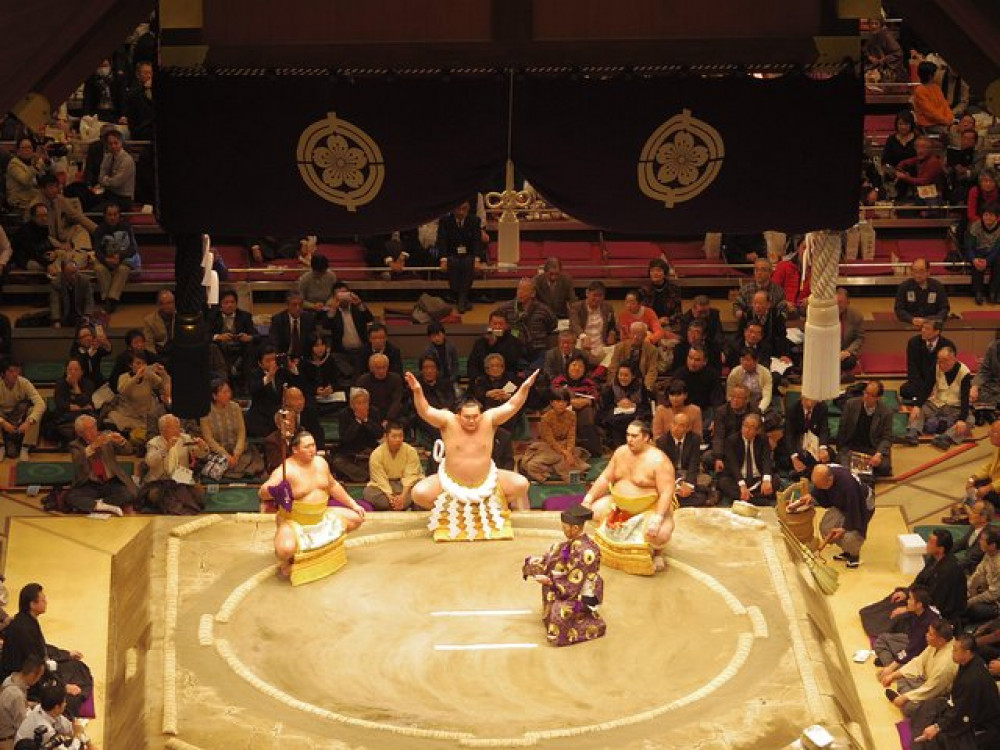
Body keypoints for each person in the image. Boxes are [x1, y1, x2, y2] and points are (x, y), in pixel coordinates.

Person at [407, 369, 539, 517]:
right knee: (419, 493)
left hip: (487, 480)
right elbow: (425, 410)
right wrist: (417, 391)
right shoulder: (447, 420)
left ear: (480, 415)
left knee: (521, 485)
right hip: (450, 482)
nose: (472, 421)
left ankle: (490, 507)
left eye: (475, 416)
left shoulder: (489, 419)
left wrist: (525, 387)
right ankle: (451, 510)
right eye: (467, 417)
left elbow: (512, 405)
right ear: (458, 416)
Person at [259, 431, 365, 578]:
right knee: (284, 549)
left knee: (356, 518)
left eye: (313, 445)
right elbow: (263, 492)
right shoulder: (286, 470)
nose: (312, 450)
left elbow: (333, 485)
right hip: (294, 521)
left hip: (321, 516)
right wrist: (276, 490)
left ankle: (324, 547)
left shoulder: (321, 463)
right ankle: (290, 559)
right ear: (295, 450)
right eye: (307, 446)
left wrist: (353, 504)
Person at [582, 420, 676, 572]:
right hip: (618, 506)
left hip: (648, 508)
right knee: (593, 510)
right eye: (627, 435)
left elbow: (666, 492)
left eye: (634, 436)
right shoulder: (620, 453)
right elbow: (606, 477)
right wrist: (588, 498)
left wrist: (657, 518)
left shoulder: (659, 460)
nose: (629, 439)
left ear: (646, 437)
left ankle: (658, 553)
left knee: (661, 534)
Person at [0, 584, 91, 718]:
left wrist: (67, 654)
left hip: (38, 670)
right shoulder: (22, 628)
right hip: (28, 680)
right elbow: (35, 666)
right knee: (68, 701)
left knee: (77, 666)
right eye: (43, 600)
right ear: (33, 604)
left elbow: (41, 647)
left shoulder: (26, 619)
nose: (46, 602)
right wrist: (63, 686)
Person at [522, 503, 605, 646]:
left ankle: (587, 624)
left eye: (565, 527)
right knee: (548, 587)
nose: (563, 529)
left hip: (583, 594)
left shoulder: (586, 551)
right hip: (569, 583)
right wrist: (539, 561)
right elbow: (555, 556)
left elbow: (574, 582)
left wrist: (550, 581)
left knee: (558, 613)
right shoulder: (571, 543)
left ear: (575, 528)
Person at [860, 529, 967, 636]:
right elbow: (920, 580)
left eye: (930, 542)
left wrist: (909, 608)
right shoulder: (934, 558)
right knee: (897, 597)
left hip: (940, 611)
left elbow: (937, 601)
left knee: (900, 616)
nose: (927, 544)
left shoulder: (949, 571)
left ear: (940, 549)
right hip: (924, 598)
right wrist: (907, 592)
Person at [912, 634, 1000, 749]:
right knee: (929, 706)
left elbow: (962, 712)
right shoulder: (972, 661)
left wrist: (937, 727)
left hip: (981, 725)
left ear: (967, 653)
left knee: (941, 738)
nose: (952, 653)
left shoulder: (972, 679)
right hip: (964, 708)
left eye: (955, 650)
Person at [791, 463, 874, 568]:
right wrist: (811, 496)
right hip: (842, 503)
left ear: (829, 480)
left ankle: (854, 555)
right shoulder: (826, 472)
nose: (819, 488)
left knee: (850, 535)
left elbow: (855, 510)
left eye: (820, 485)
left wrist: (844, 528)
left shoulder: (849, 485)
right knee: (827, 527)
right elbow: (819, 490)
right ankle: (846, 551)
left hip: (861, 505)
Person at [882, 620, 958, 719]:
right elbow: (918, 662)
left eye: (930, 634)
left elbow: (932, 689)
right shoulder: (937, 644)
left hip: (937, 693)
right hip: (923, 679)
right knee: (901, 671)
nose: (926, 635)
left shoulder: (946, 664)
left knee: (910, 708)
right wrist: (894, 675)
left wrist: (905, 697)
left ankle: (902, 695)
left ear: (941, 640)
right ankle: (905, 693)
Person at [902, 347, 973, 450]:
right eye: (939, 361)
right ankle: (913, 432)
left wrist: (962, 419)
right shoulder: (936, 367)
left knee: (970, 420)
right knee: (919, 409)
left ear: (953, 359)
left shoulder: (964, 372)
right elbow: (926, 388)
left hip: (954, 407)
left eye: (944, 362)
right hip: (936, 403)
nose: (940, 365)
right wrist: (917, 405)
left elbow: (965, 398)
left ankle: (946, 437)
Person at [65, 415, 136, 515]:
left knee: (128, 494)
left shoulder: (106, 436)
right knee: (71, 498)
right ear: (80, 433)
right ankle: (108, 506)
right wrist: (93, 446)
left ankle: (97, 505)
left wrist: (121, 441)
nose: (93, 431)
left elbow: (129, 451)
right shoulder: (75, 445)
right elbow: (78, 459)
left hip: (110, 482)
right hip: (90, 484)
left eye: (94, 427)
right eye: (88, 430)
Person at [520, 388, 589, 482]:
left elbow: (571, 436)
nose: (561, 404)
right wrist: (566, 453)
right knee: (533, 465)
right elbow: (550, 440)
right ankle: (554, 472)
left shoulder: (572, 415)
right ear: (552, 403)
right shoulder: (546, 418)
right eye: (557, 401)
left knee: (569, 462)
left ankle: (556, 470)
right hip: (549, 447)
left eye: (564, 401)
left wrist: (569, 451)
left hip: (566, 445)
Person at [200, 380, 265, 480]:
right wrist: (226, 455)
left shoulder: (235, 407)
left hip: (237, 450)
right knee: (216, 462)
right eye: (224, 392)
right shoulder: (205, 411)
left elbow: (241, 431)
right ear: (214, 396)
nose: (228, 395)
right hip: (218, 452)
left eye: (229, 391)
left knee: (253, 460)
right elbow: (209, 439)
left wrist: (237, 453)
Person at [836, 380, 894, 477]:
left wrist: (878, 454)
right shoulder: (851, 404)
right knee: (843, 465)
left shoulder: (886, 412)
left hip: (872, 449)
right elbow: (842, 429)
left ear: (878, 397)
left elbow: (887, 437)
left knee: (884, 467)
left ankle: (863, 471)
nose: (866, 396)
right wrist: (842, 449)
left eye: (871, 395)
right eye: (865, 392)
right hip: (852, 447)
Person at [873, 586, 938, 672]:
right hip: (910, 642)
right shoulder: (916, 612)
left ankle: (895, 668)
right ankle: (892, 665)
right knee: (882, 639)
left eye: (910, 599)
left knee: (883, 646)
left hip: (920, 653)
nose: (908, 601)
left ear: (919, 604)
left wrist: (891, 667)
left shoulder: (928, 622)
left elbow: (913, 649)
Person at [437, 199, 486, 312]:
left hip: (468, 254)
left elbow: (476, 241)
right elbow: (442, 241)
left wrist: (477, 259)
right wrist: (443, 259)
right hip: (452, 253)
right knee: (453, 263)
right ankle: (463, 298)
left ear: (468, 209)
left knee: (468, 263)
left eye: (464, 209)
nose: (461, 212)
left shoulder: (474, 221)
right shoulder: (445, 221)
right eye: (458, 209)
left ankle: (461, 298)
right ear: (453, 209)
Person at [364, 422, 425, 511]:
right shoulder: (377, 454)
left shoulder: (410, 451)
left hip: (405, 487)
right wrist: (390, 497)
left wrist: (403, 496)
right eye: (394, 436)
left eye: (400, 436)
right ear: (386, 437)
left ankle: (399, 504)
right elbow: (380, 479)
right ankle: (399, 504)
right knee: (368, 492)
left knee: (421, 488)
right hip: (385, 486)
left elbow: (411, 476)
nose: (398, 439)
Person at [498, 277, 558, 366]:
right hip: (516, 351)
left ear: (533, 293)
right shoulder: (505, 308)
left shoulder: (544, 310)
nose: (520, 293)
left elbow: (552, 324)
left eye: (524, 290)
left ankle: (527, 373)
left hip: (538, 350)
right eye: (519, 289)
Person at [91, 203, 139, 312]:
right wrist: (106, 259)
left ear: (119, 215)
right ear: (105, 216)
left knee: (123, 269)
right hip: (105, 259)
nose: (112, 217)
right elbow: (97, 251)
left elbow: (132, 248)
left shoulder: (126, 227)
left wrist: (120, 256)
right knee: (99, 269)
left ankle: (112, 299)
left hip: (121, 259)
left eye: (115, 214)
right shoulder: (99, 230)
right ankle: (107, 299)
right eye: (109, 214)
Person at [718, 413, 775, 506]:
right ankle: (757, 500)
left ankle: (743, 498)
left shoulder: (763, 439)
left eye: (752, 427)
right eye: (745, 425)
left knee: (775, 480)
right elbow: (733, 465)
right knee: (723, 482)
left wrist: (766, 480)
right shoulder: (731, 441)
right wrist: (742, 485)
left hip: (756, 479)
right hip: (738, 478)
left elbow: (766, 460)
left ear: (758, 430)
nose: (747, 429)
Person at [551, 354, 602, 457]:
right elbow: (554, 395)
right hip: (562, 407)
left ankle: (587, 447)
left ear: (585, 370)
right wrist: (571, 402)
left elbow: (595, 397)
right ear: (568, 366)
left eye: (581, 366)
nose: (577, 368)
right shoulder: (559, 380)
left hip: (583, 409)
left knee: (587, 412)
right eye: (574, 365)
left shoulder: (589, 383)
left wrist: (586, 402)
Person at [106, 351, 167, 436]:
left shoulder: (148, 375)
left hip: (148, 413)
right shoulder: (123, 377)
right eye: (138, 363)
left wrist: (162, 373)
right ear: (131, 365)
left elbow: (161, 384)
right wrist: (136, 377)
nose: (141, 366)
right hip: (130, 414)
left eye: (144, 363)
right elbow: (122, 392)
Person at [330, 388, 383, 483]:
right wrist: (357, 422)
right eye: (359, 403)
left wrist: (366, 420)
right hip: (350, 453)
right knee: (337, 462)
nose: (362, 406)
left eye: (365, 402)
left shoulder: (374, 412)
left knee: (382, 461)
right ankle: (367, 476)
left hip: (370, 452)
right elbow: (345, 438)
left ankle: (357, 476)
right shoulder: (344, 414)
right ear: (352, 404)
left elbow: (379, 434)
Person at [901, 320, 956, 406]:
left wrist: (934, 388)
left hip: (939, 383)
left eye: (927, 329)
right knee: (905, 390)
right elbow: (912, 369)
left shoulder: (948, 345)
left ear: (937, 331)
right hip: (920, 383)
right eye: (922, 327)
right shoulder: (914, 342)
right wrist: (924, 389)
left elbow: (949, 371)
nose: (923, 330)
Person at [657, 412, 706, 506]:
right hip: (671, 474)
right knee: (664, 487)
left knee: (705, 479)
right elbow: (666, 467)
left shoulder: (694, 439)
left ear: (688, 428)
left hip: (687, 471)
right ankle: (702, 494)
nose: (676, 428)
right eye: (674, 424)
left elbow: (694, 463)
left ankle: (686, 497)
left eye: (681, 425)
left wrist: (689, 484)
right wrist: (680, 482)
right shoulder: (662, 441)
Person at [0, 359, 45, 461]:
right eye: (11, 371)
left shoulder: (24, 382)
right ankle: (1, 446)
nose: (15, 374)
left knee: (34, 411)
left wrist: (29, 421)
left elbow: (40, 403)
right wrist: (2, 422)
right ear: (3, 374)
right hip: (3, 415)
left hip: (19, 415)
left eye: (17, 371)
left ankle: (25, 446)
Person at [598, 363, 651, 449]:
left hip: (635, 415)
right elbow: (606, 407)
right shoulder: (611, 387)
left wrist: (634, 405)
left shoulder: (640, 387)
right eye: (620, 375)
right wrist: (617, 404)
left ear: (633, 376)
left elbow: (646, 406)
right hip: (617, 418)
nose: (622, 378)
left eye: (626, 375)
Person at [710, 384, 759, 474]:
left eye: (739, 398)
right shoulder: (721, 411)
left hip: (747, 447)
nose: (735, 400)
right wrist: (718, 457)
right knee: (708, 458)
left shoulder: (754, 411)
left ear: (746, 400)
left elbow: (758, 434)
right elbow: (718, 436)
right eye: (733, 397)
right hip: (727, 448)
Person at [327, 282, 374, 378]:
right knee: (334, 359)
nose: (343, 298)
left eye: (345, 293)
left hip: (361, 351)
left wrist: (359, 303)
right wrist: (333, 308)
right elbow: (326, 325)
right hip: (342, 352)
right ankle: (352, 375)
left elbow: (369, 318)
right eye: (339, 295)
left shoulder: (357, 309)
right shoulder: (332, 312)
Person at [568, 280, 618, 369]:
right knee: (575, 346)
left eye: (600, 296)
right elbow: (574, 325)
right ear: (587, 293)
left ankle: (599, 373)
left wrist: (612, 332)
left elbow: (612, 325)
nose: (597, 299)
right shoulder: (576, 307)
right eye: (595, 295)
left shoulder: (607, 307)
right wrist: (583, 337)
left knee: (616, 350)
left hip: (601, 344)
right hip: (582, 344)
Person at [466, 311, 527, 382]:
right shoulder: (481, 342)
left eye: (501, 324)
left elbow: (512, 364)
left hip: (507, 380)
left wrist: (495, 345)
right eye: (495, 324)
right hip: (484, 380)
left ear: (506, 326)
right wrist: (477, 379)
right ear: (490, 325)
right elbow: (473, 364)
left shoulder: (515, 342)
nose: (497, 327)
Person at [0, 655, 46, 750]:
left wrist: (31, 705)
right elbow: (23, 726)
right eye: (40, 676)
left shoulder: (11, 678)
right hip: (8, 740)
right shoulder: (16, 695)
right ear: (33, 675)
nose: (39, 680)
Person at [49, 359, 96, 447]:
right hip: (66, 416)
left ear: (82, 372)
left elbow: (85, 401)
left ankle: (73, 439)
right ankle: (74, 439)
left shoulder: (88, 384)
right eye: (70, 369)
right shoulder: (60, 383)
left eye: (76, 370)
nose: (72, 372)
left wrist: (75, 386)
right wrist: (82, 407)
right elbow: (60, 403)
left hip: (82, 415)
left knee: (88, 420)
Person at [412, 355, 456, 449]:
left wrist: (446, 408)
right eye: (426, 368)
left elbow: (451, 399)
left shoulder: (446, 383)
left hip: (444, 414)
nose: (429, 370)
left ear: (437, 369)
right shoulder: (417, 385)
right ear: (421, 370)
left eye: (432, 367)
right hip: (424, 417)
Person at [895, 258, 950, 326]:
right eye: (915, 271)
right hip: (910, 324)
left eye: (921, 271)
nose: (918, 275)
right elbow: (899, 309)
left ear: (928, 272)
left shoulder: (937, 286)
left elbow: (944, 308)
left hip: (932, 324)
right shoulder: (904, 287)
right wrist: (911, 319)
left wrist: (934, 320)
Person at [608, 321, 659, 393]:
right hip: (622, 380)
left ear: (645, 335)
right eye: (633, 333)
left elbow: (652, 371)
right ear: (630, 333)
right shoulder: (620, 347)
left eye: (639, 334)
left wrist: (645, 388)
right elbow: (613, 367)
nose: (635, 337)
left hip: (641, 381)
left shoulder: (652, 350)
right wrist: (614, 386)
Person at [965, 204, 1000, 305]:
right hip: (978, 252)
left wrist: (987, 261)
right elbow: (969, 246)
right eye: (986, 215)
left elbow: (998, 248)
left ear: (997, 217)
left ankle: (993, 292)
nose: (988, 218)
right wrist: (973, 259)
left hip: (994, 253)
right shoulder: (975, 225)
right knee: (977, 262)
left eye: (991, 215)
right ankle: (978, 292)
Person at [355, 353, 405, 425]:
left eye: (384, 367)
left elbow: (396, 401)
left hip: (391, 414)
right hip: (370, 415)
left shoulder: (396, 379)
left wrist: (388, 419)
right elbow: (361, 402)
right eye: (378, 368)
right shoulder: (363, 381)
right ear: (371, 368)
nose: (381, 371)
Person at [733, 258, 787, 324]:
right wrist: (739, 312)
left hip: (772, 326)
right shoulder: (745, 290)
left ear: (770, 272)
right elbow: (737, 305)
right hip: (750, 327)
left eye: (763, 270)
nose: (759, 273)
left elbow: (783, 311)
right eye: (756, 270)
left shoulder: (779, 291)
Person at [964, 529, 1000, 627]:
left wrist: (971, 600)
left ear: (993, 545)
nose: (979, 541)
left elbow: (993, 595)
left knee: (974, 609)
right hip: (984, 590)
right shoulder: (988, 554)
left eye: (982, 540)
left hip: (996, 602)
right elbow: (978, 573)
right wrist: (968, 589)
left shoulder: (998, 564)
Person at [652, 378, 703, 445]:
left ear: (685, 395)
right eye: (672, 395)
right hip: (665, 447)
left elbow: (698, 436)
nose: (675, 398)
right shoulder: (661, 410)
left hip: (688, 448)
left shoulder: (695, 410)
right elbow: (657, 436)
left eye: (678, 394)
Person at [269, 291, 317, 361]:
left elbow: (313, 339)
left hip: (304, 358)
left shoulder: (309, 318)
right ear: (287, 305)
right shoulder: (278, 320)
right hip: (285, 358)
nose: (298, 308)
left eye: (300, 305)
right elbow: (274, 343)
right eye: (294, 305)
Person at [93, 128, 135, 210]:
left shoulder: (127, 160)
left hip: (123, 198)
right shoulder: (108, 156)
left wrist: (105, 180)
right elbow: (100, 177)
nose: (113, 146)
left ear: (121, 143)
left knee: (95, 212)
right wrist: (107, 180)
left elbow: (116, 182)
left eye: (116, 143)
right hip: (110, 194)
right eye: (110, 144)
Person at [48, 260, 95, 329]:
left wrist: (87, 315)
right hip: (64, 315)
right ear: (63, 273)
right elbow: (55, 303)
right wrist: (56, 320)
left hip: (80, 314)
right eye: (69, 274)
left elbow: (89, 300)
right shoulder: (56, 283)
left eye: (75, 272)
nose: (73, 276)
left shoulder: (85, 281)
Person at [911, 61, 954, 132]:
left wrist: (950, 118)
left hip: (943, 121)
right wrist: (946, 121)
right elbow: (930, 113)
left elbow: (945, 105)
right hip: (929, 124)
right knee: (953, 131)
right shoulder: (920, 91)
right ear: (930, 75)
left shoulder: (936, 88)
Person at [954, 501, 995, 576]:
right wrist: (944, 548)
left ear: (983, 518)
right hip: (967, 566)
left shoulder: (986, 536)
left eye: (973, 511)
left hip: (976, 573)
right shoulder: (974, 527)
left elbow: (971, 559)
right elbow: (961, 543)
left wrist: (949, 566)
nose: (969, 513)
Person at [643, 257, 682, 332]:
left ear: (665, 273)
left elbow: (678, 313)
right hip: (650, 325)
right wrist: (657, 321)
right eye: (652, 271)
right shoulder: (644, 290)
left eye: (658, 270)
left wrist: (668, 320)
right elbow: (643, 313)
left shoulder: (674, 289)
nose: (655, 273)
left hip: (669, 324)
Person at [863, 15, 904, 82]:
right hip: (872, 65)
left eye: (876, 24)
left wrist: (884, 59)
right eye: (872, 23)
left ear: (881, 25)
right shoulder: (872, 35)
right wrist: (869, 57)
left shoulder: (887, 36)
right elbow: (865, 49)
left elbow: (898, 53)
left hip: (886, 68)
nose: (873, 26)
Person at [837, 288, 865, 377]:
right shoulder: (825, 314)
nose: (838, 305)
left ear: (848, 302)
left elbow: (859, 338)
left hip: (845, 351)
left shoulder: (856, 315)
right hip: (828, 351)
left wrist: (848, 351)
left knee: (850, 362)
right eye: (835, 302)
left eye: (840, 302)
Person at [142, 289, 176, 363]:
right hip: (159, 354)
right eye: (168, 303)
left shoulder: (180, 316)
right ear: (160, 305)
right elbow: (149, 344)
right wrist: (155, 360)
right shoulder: (149, 320)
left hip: (176, 352)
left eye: (172, 302)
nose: (171, 305)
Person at [971, 339, 1000, 415]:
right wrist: (975, 387)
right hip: (993, 386)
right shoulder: (993, 347)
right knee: (972, 393)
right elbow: (984, 371)